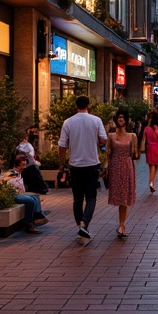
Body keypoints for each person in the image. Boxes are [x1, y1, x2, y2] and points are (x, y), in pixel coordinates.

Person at [58, 95, 108, 244]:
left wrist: (62, 164)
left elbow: (61, 146)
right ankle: (84, 224)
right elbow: (104, 139)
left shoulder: (68, 122)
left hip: (75, 165)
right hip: (92, 164)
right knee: (91, 197)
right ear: (88, 105)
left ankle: (80, 226)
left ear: (76, 105)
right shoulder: (96, 120)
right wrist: (97, 143)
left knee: (77, 198)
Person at [106, 111, 138, 237]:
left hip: (127, 166)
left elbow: (135, 154)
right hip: (115, 166)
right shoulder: (111, 136)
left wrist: (135, 151)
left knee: (125, 197)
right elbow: (108, 154)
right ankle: (121, 224)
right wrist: (106, 169)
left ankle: (121, 224)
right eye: (118, 117)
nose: (121, 119)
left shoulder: (132, 136)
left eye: (122, 117)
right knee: (118, 196)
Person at [0, 155, 49, 232]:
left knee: (35, 196)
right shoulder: (12, 172)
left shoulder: (21, 172)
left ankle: (37, 216)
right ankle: (29, 224)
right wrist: (8, 178)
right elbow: (3, 179)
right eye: (23, 163)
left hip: (19, 193)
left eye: (25, 162)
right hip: (13, 194)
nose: (25, 165)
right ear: (17, 164)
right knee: (30, 200)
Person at [143, 110, 158, 192]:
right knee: (156, 165)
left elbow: (144, 139)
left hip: (149, 148)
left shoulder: (146, 129)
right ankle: (152, 182)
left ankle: (152, 182)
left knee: (151, 166)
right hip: (156, 147)